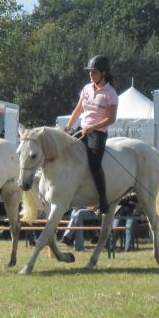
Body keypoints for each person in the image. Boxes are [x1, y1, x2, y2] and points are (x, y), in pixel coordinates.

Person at [64, 55, 118, 215]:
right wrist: (68, 126)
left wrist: (93, 127)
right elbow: (78, 109)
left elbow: (111, 118)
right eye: (90, 72)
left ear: (103, 73)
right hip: (82, 128)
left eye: (94, 72)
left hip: (98, 134)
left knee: (94, 164)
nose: (91, 75)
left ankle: (103, 200)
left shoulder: (111, 93)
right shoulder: (87, 88)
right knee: (65, 151)